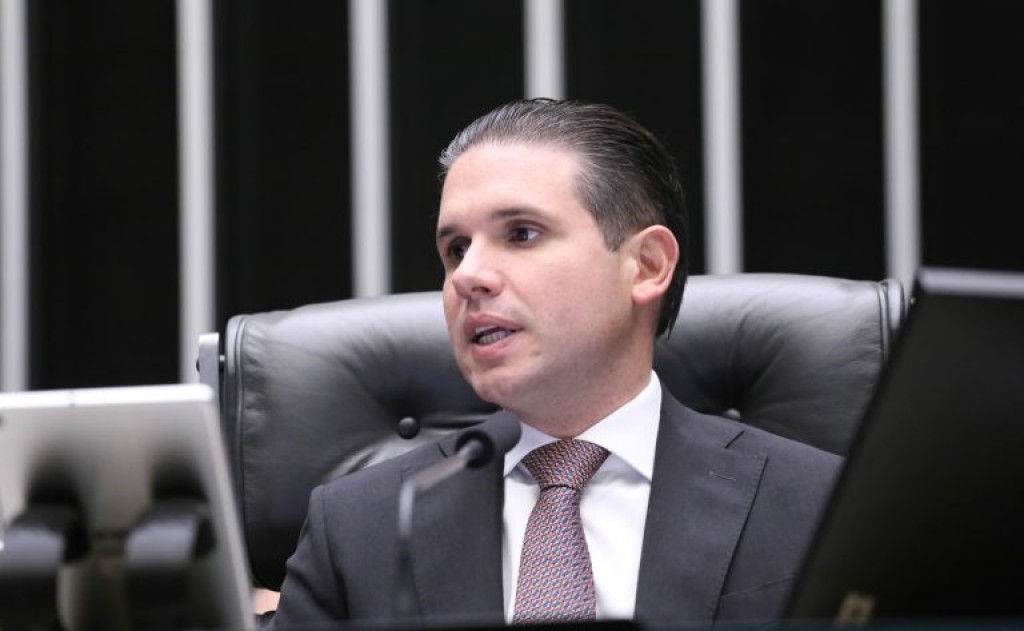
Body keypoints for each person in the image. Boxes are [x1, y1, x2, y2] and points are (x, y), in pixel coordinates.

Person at [270, 99, 840, 628]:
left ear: (646, 265)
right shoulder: (360, 526)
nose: (468, 276)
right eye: (456, 249)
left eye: (521, 234)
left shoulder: (822, 506)